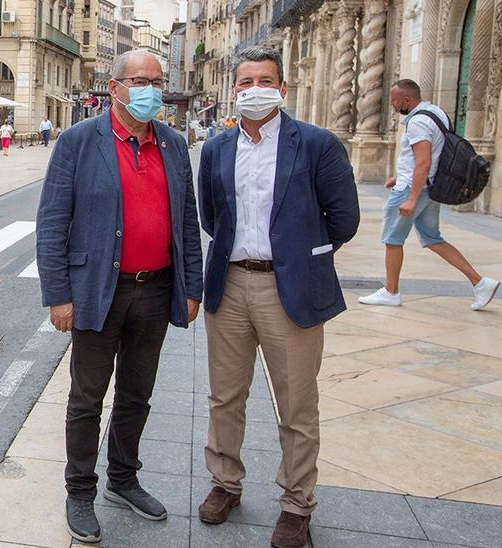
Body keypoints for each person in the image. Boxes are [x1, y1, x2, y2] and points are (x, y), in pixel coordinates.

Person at [36, 50, 203, 544]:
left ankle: (124, 479)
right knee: (87, 398)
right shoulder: (78, 142)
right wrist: (58, 295)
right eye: (139, 80)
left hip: (154, 291)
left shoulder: (173, 143)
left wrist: (191, 285)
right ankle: (79, 491)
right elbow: (52, 223)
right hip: (96, 291)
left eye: (156, 80)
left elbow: (187, 223)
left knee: (137, 394)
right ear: (115, 88)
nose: (150, 88)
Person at [195, 47, 359, 548]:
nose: (253, 89)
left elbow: (344, 219)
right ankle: (225, 483)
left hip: (290, 288)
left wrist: (298, 255)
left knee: (296, 403)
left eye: (264, 80)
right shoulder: (217, 149)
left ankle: (296, 503)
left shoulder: (316, 144)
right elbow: (210, 217)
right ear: (234, 89)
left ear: (282, 89)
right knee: (226, 396)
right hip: (230, 285)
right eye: (245, 82)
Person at [357, 78, 500, 310]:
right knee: (433, 239)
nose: (393, 105)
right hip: (430, 187)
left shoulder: (418, 122)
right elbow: (429, 156)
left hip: (414, 190)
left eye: (394, 100)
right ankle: (480, 283)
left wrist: (411, 197)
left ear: (407, 99)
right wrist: (399, 175)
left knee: (392, 240)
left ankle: (391, 291)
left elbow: (423, 161)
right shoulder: (436, 112)